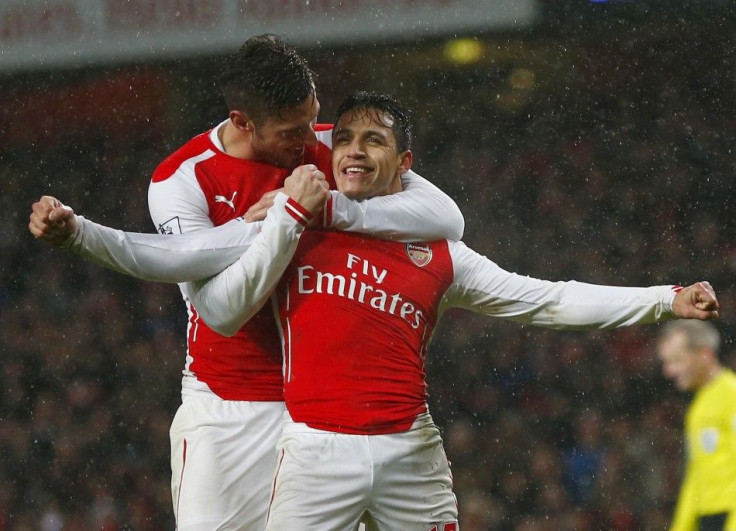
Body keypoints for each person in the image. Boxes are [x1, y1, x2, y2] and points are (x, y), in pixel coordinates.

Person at [30, 92, 720, 529]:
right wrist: (81, 233)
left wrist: (663, 299)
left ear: (404, 162)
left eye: (374, 142)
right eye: (345, 141)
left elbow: (547, 298)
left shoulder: (438, 248)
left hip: (410, 453)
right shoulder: (295, 224)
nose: (354, 151)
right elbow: (178, 264)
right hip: (313, 451)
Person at [31, 36, 464, 531]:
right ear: (242, 121)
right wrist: (269, 222)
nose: (309, 141)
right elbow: (208, 292)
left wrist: (326, 209)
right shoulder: (183, 179)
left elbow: (444, 215)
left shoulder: (331, 145)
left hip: (330, 408)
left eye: (311, 119)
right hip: (232, 406)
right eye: (289, 131)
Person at [656, 321, 736, 531]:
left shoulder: (732, 395)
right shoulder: (698, 408)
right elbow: (695, 475)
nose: (669, 371)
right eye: (666, 363)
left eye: (677, 360)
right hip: (709, 519)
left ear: (705, 354)